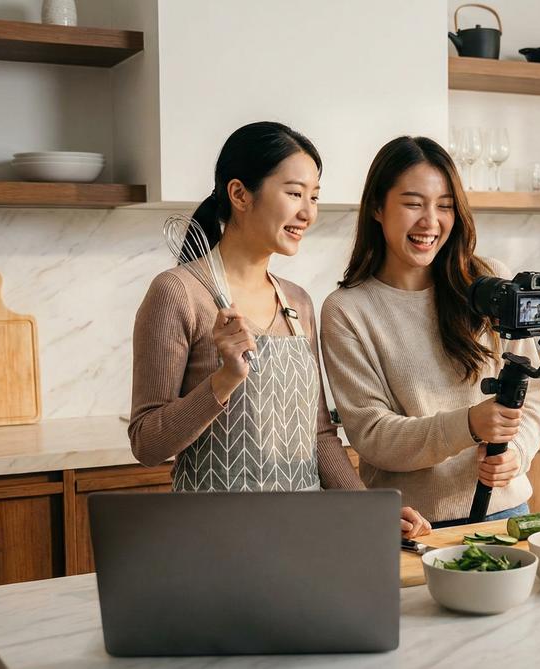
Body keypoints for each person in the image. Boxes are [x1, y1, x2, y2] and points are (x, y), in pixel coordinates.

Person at [128, 122, 430, 538]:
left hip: (300, 534)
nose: (308, 212)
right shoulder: (178, 293)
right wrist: (223, 380)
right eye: (293, 193)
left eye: (314, 197)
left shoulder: (298, 303)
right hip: (214, 538)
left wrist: (370, 509)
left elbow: (320, 435)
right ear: (239, 194)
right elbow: (147, 443)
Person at [320, 136, 540, 527]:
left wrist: (517, 454)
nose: (430, 221)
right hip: (412, 524)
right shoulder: (347, 310)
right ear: (377, 206)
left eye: (444, 206)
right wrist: (469, 424)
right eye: (413, 203)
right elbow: (373, 435)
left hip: (506, 514)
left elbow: (532, 398)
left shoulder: (489, 281)